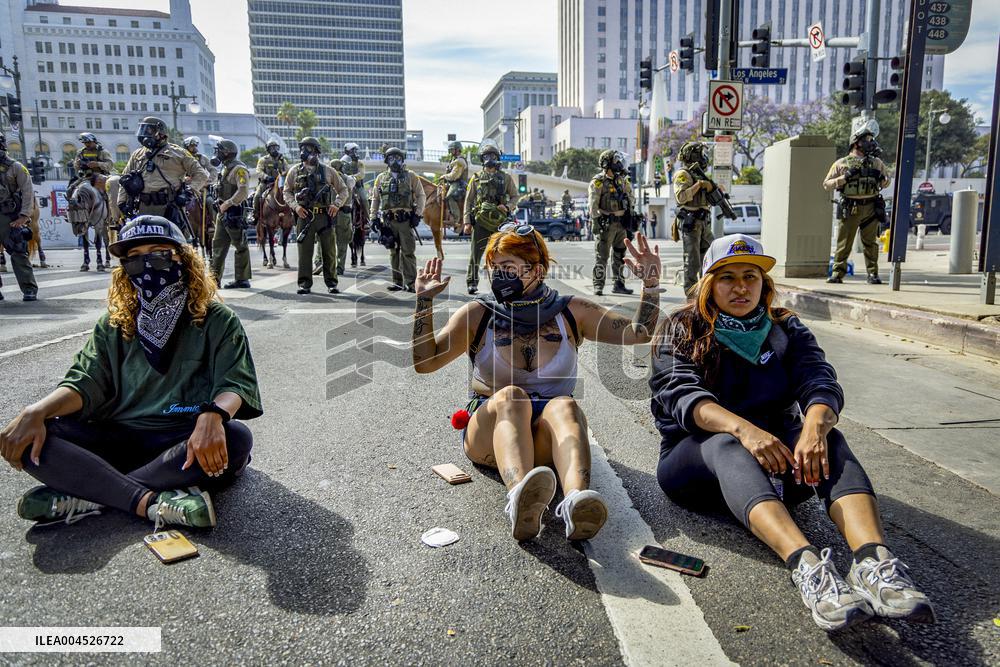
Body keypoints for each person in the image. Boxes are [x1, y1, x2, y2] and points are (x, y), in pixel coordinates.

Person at [649, 234, 934, 631]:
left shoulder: (784, 326)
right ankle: (809, 568)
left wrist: (815, 429)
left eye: (751, 276)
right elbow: (683, 396)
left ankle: (874, 563)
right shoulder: (681, 327)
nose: (741, 287)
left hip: (781, 463)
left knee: (828, 437)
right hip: (698, 468)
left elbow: (819, 379)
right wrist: (745, 430)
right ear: (707, 284)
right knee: (728, 442)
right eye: (727, 277)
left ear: (764, 284)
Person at [0, 216, 262, 529]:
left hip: (180, 438)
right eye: (134, 260)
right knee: (33, 436)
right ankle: (149, 502)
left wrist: (214, 414)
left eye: (159, 254)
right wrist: (36, 411)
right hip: (119, 437)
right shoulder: (114, 323)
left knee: (235, 438)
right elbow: (85, 382)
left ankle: (92, 491)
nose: (147, 266)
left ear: (184, 258)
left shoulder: (215, 318)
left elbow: (235, 381)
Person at [412, 225, 662, 541]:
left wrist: (650, 285)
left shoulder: (573, 312)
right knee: (512, 397)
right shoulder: (477, 314)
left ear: (537, 269)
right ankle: (521, 499)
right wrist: (424, 302)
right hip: (489, 433)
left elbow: (639, 333)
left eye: (509, 268)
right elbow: (425, 362)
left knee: (566, 405)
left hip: (546, 438)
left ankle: (576, 502)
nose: (498, 276)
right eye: (495, 268)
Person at [823, 122, 890, 284]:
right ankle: (837, 274)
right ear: (856, 142)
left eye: (871, 139)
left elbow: (886, 182)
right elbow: (826, 184)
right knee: (844, 243)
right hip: (851, 207)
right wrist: (844, 178)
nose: (870, 143)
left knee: (871, 244)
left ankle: (873, 274)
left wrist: (882, 179)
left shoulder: (876, 163)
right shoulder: (842, 163)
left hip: (871, 207)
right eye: (866, 139)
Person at [284, 137, 349, 295]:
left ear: (317, 152)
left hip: (324, 216)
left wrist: (336, 204)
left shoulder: (328, 171)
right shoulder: (294, 171)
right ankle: (304, 284)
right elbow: (286, 191)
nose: (304, 152)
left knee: (329, 252)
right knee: (304, 252)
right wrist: (296, 207)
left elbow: (343, 190)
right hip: (304, 215)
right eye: (302, 148)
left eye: (308, 148)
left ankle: (332, 283)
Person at [118, 117, 208, 230]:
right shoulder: (138, 154)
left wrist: (188, 192)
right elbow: (124, 179)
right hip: (142, 207)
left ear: (161, 133)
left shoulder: (179, 153)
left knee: (176, 244)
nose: (144, 134)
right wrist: (121, 203)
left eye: (149, 130)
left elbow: (201, 174)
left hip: (169, 207)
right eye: (142, 129)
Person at [464, 141, 518, 295]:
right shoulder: (475, 178)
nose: (490, 158)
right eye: (486, 156)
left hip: (499, 222)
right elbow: (468, 200)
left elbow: (515, 196)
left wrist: (507, 207)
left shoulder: (506, 178)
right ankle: (472, 282)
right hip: (481, 221)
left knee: (500, 254)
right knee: (475, 254)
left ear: (497, 158)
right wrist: (467, 222)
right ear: (482, 159)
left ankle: (500, 282)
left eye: (493, 155)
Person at [370, 147, 426, 292]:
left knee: (408, 252)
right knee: (393, 252)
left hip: (405, 221)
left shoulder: (411, 176)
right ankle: (397, 282)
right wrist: (373, 217)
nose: (395, 161)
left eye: (398, 158)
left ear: (402, 160)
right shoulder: (381, 178)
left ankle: (411, 282)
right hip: (389, 221)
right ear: (386, 160)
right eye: (391, 158)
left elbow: (421, 195)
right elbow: (375, 199)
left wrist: (418, 214)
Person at [588, 149, 636, 296]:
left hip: (621, 224)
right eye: (616, 160)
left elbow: (631, 198)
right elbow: (593, 204)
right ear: (607, 163)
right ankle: (598, 285)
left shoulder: (621, 180)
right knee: (601, 257)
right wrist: (596, 222)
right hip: (606, 224)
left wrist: (630, 218)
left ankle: (619, 284)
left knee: (620, 255)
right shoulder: (598, 181)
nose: (619, 163)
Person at [209, 140, 253, 289]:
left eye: (219, 150)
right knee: (217, 246)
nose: (217, 153)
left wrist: (228, 203)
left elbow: (243, 191)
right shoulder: (224, 168)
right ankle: (213, 280)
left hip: (234, 212)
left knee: (240, 245)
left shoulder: (239, 169)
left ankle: (242, 279)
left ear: (227, 152)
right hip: (222, 213)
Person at [0, 131, 38, 301]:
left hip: (10, 216)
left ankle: (29, 288)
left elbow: (28, 191)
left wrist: (24, 216)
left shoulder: (15, 167)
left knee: (18, 249)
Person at [673, 142, 715, 293]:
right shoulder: (683, 174)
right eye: (700, 153)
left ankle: (705, 292)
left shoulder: (699, 174)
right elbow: (681, 197)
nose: (704, 157)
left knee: (709, 256)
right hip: (691, 222)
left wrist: (711, 188)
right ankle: (690, 295)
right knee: (692, 261)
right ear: (693, 155)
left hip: (703, 222)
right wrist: (698, 185)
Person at [250, 139, 288, 225]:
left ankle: (293, 215)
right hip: (266, 183)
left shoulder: (282, 160)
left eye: (276, 148)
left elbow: (287, 171)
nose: (275, 150)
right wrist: (266, 177)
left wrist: (282, 171)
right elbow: (258, 171)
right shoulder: (263, 160)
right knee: (257, 196)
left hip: (279, 184)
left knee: (290, 195)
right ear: (268, 150)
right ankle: (255, 215)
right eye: (272, 148)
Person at [328, 158, 356, 277]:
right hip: (344, 214)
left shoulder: (326, 179)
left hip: (329, 213)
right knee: (343, 242)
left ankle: (325, 264)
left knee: (326, 241)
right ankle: (339, 267)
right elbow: (352, 187)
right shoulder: (348, 179)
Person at [68, 133, 114, 199]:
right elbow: (76, 166)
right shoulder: (81, 152)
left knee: (108, 193)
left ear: (94, 141)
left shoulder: (102, 151)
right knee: (70, 189)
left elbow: (110, 165)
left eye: (89, 142)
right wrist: (78, 164)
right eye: (85, 143)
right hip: (85, 176)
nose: (87, 144)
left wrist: (97, 164)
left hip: (101, 176)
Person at [441, 140, 468, 225]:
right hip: (453, 183)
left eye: (452, 149)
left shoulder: (460, 161)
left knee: (450, 196)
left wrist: (444, 176)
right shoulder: (454, 160)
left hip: (459, 184)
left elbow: (454, 176)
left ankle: (455, 219)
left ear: (458, 150)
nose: (451, 151)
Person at [339, 142, 368, 214]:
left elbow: (361, 174)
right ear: (349, 151)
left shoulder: (360, 163)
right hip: (345, 186)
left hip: (357, 186)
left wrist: (353, 177)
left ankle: (368, 219)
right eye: (354, 150)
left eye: (356, 150)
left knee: (364, 199)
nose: (356, 152)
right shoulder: (342, 162)